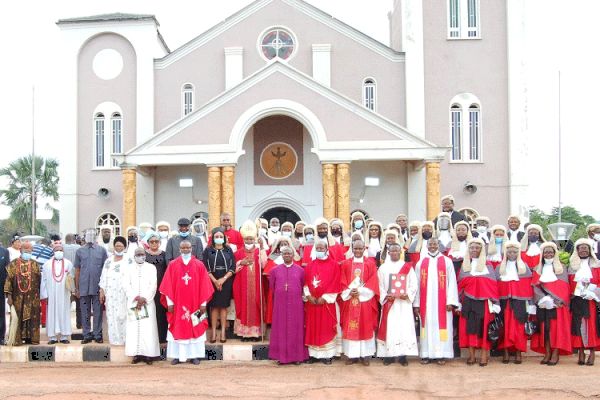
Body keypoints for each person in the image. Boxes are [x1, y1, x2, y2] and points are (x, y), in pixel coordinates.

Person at [160, 240, 214, 365]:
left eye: (188, 247)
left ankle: (194, 355)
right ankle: (177, 356)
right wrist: (170, 303)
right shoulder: (173, 264)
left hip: (196, 303)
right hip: (178, 304)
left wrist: (203, 304)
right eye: (183, 248)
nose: (185, 250)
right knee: (178, 326)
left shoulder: (199, 265)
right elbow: (167, 285)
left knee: (196, 326)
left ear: (192, 249)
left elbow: (205, 286)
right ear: (179, 249)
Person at [414, 238, 459, 364]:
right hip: (425, 303)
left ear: (439, 246)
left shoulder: (447, 261)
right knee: (426, 326)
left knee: (442, 327)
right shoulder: (421, 262)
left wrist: (451, 301)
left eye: (435, 244)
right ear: (427, 246)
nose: (432, 246)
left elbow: (452, 283)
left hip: (442, 303)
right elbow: (416, 285)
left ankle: (441, 354)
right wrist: (416, 304)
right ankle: (426, 354)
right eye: (430, 244)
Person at [458, 238, 500, 367]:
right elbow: (460, 284)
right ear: (468, 250)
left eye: (477, 248)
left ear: (481, 250)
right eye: (472, 248)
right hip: (468, 301)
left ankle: (483, 355)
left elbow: (493, 285)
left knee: (483, 328)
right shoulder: (465, 265)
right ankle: (471, 355)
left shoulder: (488, 265)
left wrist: (495, 302)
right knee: (469, 328)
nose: (474, 250)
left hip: (484, 302)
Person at [531, 242, 572, 365]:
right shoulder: (537, 269)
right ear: (542, 254)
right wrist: (543, 299)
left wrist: (556, 301)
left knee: (556, 330)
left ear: (555, 253)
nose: (548, 254)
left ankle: (555, 353)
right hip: (543, 304)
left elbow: (565, 287)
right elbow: (535, 286)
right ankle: (547, 352)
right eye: (546, 252)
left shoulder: (562, 268)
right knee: (545, 329)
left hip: (558, 305)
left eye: (551, 252)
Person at [377, 243, 418, 365]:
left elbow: (413, 284)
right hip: (389, 304)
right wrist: (385, 296)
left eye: (397, 251)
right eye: (392, 251)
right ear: (388, 252)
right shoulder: (383, 268)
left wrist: (408, 295)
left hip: (403, 303)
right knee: (390, 327)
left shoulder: (407, 267)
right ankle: (389, 355)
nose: (394, 253)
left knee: (403, 328)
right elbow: (379, 285)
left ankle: (402, 356)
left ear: (401, 252)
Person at [340, 239, 379, 365]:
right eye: (355, 248)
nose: (358, 251)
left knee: (365, 326)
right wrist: (349, 292)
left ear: (364, 249)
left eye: (360, 248)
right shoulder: (346, 264)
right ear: (352, 248)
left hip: (365, 301)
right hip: (349, 300)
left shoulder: (370, 264)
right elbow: (342, 281)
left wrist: (361, 292)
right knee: (350, 325)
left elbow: (374, 281)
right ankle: (352, 355)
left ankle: (365, 355)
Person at [269, 246, 308, 365]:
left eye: (289, 253)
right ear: (281, 255)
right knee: (281, 329)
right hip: (280, 305)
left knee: (296, 329)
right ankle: (281, 357)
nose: (286, 255)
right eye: (284, 253)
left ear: (293, 255)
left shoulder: (300, 270)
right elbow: (272, 287)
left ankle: (297, 357)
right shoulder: (274, 270)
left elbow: (303, 285)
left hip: (296, 305)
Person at [304, 239, 341, 364]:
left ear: (327, 249)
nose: (320, 250)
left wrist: (324, 297)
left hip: (326, 303)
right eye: (317, 248)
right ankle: (314, 355)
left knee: (326, 327)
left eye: (322, 248)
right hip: (313, 303)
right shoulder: (310, 265)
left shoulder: (334, 265)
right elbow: (305, 282)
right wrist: (308, 296)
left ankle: (327, 355)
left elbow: (336, 282)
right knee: (313, 327)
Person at [497, 241, 533, 364]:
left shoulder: (524, 267)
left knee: (519, 327)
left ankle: (518, 352)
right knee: (505, 326)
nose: (512, 254)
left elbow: (528, 285)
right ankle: (506, 351)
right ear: (506, 253)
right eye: (509, 252)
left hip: (520, 301)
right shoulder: (499, 267)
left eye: (514, 252)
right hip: (505, 301)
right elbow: (497, 285)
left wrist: (530, 302)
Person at [124, 247, 160, 364]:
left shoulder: (151, 268)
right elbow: (126, 285)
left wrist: (145, 298)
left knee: (148, 329)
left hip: (147, 303)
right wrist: (136, 298)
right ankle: (136, 354)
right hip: (134, 303)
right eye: (138, 254)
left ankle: (148, 355)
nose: (141, 256)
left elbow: (153, 285)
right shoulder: (128, 268)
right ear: (134, 256)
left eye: (142, 254)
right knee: (134, 329)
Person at [568, 238, 600, 366]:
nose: (583, 251)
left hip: (591, 300)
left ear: (590, 250)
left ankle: (592, 352)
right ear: (577, 251)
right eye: (581, 249)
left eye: (585, 248)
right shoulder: (572, 266)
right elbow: (569, 282)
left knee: (591, 325)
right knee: (577, 325)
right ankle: (581, 351)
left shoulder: (596, 265)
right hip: (576, 299)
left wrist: (593, 292)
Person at [4, 241, 42, 345]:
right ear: (21, 250)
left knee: (33, 318)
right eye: (25, 251)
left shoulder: (35, 264)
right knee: (18, 317)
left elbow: (40, 281)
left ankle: (31, 338)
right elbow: (8, 280)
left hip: (33, 297)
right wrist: (9, 296)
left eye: (29, 251)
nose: (27, 253)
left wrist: (40, 296)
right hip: (17, 298)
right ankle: (17, 339)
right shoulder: (13, 264)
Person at [233, 221, 265, 341]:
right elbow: (232, 269)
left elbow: (264, 265)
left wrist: (262, 250)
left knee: (256, 305)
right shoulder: (238, 252)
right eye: (247, 239)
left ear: (254, 239)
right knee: (243, 305)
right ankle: (245, 333)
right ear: (243, 239)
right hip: (241, 285)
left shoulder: (258, 251)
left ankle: (255, 334)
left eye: (251, 239)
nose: (249, 241)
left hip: (257, 285)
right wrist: (241, 262)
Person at [74, 229, 108, 344]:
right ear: (84, 237)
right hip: (83, 286)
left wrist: (103, 288)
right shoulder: (79, 251)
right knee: (85, 311)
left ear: (96, 237)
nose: (90, 237)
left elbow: (105, 270)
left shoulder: (102, 251)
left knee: (98, 311)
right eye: (88, 235)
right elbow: (77, 270)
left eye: (93, 235)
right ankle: (86, 334)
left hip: (97, 286)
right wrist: (76, 287)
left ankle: (97, 334)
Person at [204, 227, 236, 343]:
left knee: (223, 306)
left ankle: (222, 332)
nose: (218, 238)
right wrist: (215, 281)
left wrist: (223, 279)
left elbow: (233, 267)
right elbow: (205, 267)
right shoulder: (208, 250)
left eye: (221, 237)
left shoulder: (228, 250)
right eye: (216, 237)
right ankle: (213, 332)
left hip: (226, 281)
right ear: (213, 238)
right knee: (214, 307)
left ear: (224, 238)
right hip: (211, 281)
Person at [40, 244, 74, 344]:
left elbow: (71, 278)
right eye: (57, 250)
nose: (59, 252)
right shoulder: (47, 264)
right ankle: (52, 337)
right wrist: (44, 295)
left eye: (60, 250)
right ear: (53, 252)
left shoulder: (68, 263)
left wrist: (72, 291)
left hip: (64, 293)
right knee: (51, 313)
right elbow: (44, 280)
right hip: (52, 294)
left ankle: (64, 336)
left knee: (64, 312)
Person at [99, 236, 129, 345]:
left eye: (121, 246)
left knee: (123, 315)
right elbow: (103, 276)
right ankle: (114, 340)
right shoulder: (108, 260)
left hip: (124, 293)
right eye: (117, 246)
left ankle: (125, 339)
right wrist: (102, 291)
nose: (119, 248)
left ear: (125, 247)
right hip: (111, 293)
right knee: (111, 316)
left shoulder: (129, 260)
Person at [145, 232, 168, 357]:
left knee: (161, 315)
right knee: (150, 315)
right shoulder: (144, 255)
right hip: (148, 290)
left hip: (161, 289)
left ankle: (162, 340)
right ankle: (150, 340)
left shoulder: (164, 255)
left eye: (156, 241)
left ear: (159, 242)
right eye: (151, 241)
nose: (154, 243)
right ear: (148, 243)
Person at [0, 243, 9, 345]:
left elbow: (7, 271)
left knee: (1, 314)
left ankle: (1, 337)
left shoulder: (4, 252)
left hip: (1, 288)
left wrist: (7, 289)